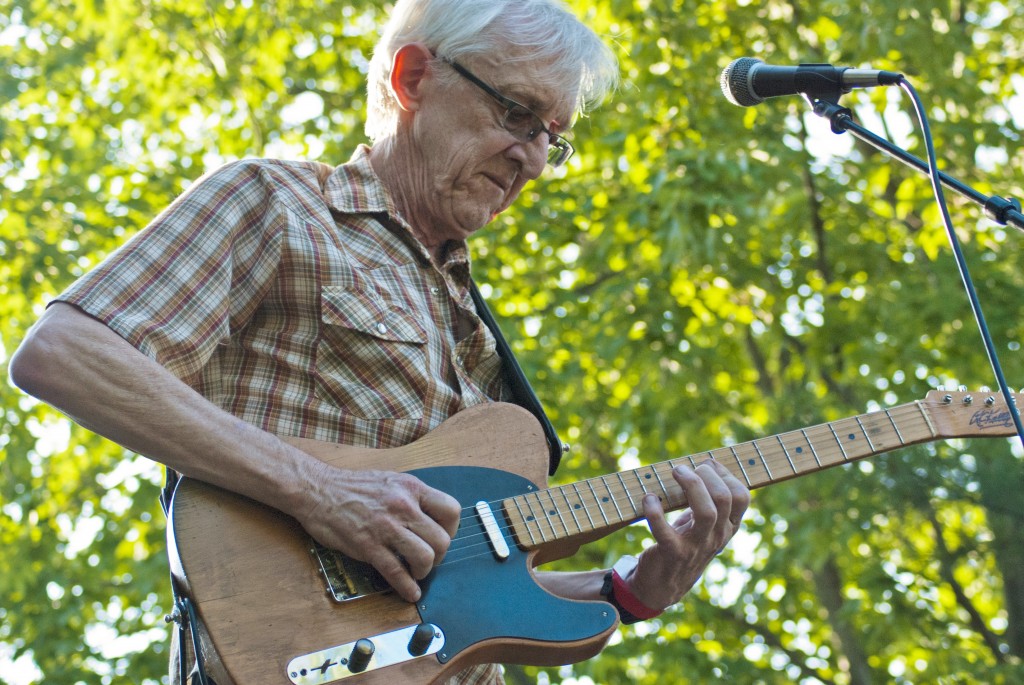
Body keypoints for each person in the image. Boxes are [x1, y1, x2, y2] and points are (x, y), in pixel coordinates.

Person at [9, 1, 751, 683]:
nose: (530, 158)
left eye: (551, 139)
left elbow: (449, 589)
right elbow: (67, 350)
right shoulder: (279, 204)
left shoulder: (475, 334)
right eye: (517, 114)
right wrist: (317, 489)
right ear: (414, 76)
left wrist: (628, 591)